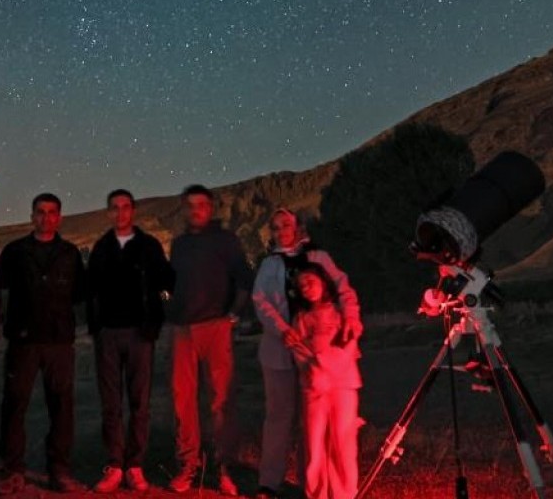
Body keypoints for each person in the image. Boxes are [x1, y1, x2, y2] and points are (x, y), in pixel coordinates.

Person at [250, 208, 362, 499]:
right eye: (275, 227)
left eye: (285, 224)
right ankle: (269, 482)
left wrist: (351, 318)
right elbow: (261, 301)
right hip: (281, 351)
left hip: (320, 355)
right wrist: (280, 328)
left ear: (296, 226)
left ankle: (315, 485)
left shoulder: (318, 258)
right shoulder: (269, 265)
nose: (281, 231)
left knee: (315, 424)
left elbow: (343, 289)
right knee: (279, 417)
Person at [0, 193, 87, 494]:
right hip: (23, 339)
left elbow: (80, 294)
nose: (46, 218)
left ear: (59, 216)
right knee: (15, 404)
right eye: (40, 212)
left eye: (51, 213)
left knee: (61, 406)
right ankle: (12, 469)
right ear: (32, 215)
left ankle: (59, 469)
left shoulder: (70, 254)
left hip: (59, 341)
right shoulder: (15, 252)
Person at [165, 185, 253, 496]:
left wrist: (233, 315)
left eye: (201, 205)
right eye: (189, 206)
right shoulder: (179, 245)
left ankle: (225, 466)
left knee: (222, 401)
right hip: (182, 330)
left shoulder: (225, 241)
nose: (195, 211)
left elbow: (244, 279)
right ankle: (188, 465)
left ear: (210, 208)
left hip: (215, 326)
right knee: (183, 401)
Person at [86, 189, 174, 493]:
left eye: (125, 207)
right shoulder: (101, 248)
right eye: (114, 208)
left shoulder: (149, 246)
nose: (120, 213)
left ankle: (135, 465)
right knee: (111, 403)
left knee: (140, 403)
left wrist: (157, 311)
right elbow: (90, 289)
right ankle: (114, 463)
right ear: (109, 212)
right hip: (108, 333)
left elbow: (166, 280)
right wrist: (95, 326)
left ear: (132, 211)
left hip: (140, 334)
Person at [290, 264, 363, 499]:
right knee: (314, 443)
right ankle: (316, 493)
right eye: (301, 285)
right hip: (313, 387)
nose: (306, 287)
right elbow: (298, 352)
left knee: (343, 443)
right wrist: (314, 372)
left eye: (310, 281)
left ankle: (345, 494)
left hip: (343, 384)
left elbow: (349, 346)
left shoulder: (341, 313)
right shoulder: (301, 319)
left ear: (323, 281)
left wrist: (322, 363)